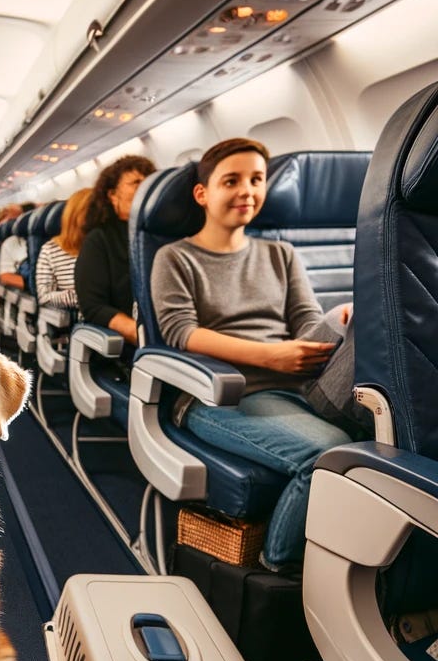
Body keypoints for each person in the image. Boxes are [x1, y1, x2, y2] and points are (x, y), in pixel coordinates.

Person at [150, 137, 355, 573]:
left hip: (298, 387)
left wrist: (340, 323)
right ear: (202, 194)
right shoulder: (176, 257)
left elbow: (305, 321)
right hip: (223, 396)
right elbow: (181, 332)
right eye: (232, 181)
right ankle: (275, 567)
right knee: (331, 454)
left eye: (257, 180)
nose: (247, 191)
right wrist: (271, 357)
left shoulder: (281, 253)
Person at [74, 155, 156, 345]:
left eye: (149, 182)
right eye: (136, 182)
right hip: (125, 343)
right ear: (112, 195)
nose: (145, 187)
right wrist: (142, 336)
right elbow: (94, 306)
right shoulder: (99, 240)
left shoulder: (164, 235)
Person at [35, 188, 91, 308]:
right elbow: (44, 297)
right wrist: (79, 299)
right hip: (74, 315)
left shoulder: (105, 244)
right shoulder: (51, 250)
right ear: (75, 216)